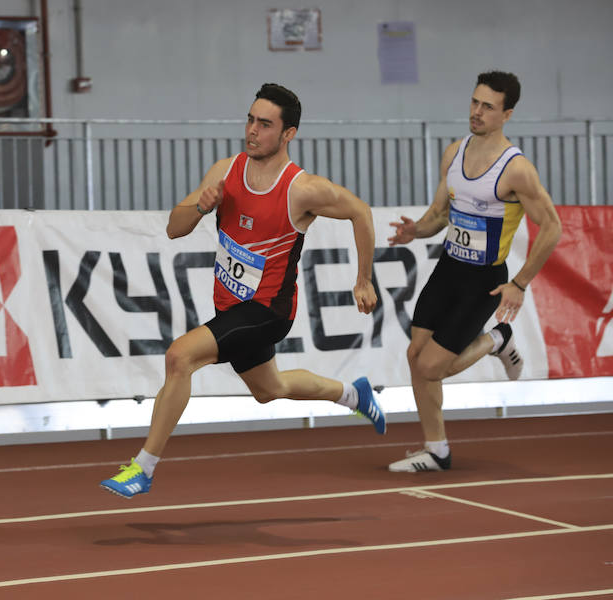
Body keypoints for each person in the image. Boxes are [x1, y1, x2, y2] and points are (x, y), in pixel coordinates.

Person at [100, 83, 386, 498]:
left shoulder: (301, 189)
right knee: (270, 390)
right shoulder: (225, 171)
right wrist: (202, 206)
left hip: (268, 312)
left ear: (288, 134)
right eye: (250, 119)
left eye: (265, 124)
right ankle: (352, 393)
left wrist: (363, 278)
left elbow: (360, 211)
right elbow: (173, 228)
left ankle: (143, 468)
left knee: (179, 357)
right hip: (229, 307)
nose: (252, 130)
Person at [386, 71, 562, 472]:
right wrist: (417, 231)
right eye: (475, 102)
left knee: (432, 366)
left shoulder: (516, 169)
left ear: (507, 114)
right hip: (448, 267)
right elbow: (439, 215)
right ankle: (436, 449)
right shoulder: (454, 152)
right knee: (417, 356)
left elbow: (552, 228)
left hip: (482, 279)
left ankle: (497, 340)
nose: (477, 112)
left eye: (488, 106)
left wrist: (518, 283)